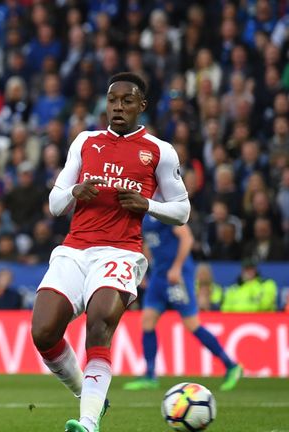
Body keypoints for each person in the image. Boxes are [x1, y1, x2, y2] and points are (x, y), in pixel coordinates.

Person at [31, 73, 191, 432]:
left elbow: (182, 210)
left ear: (141, 106)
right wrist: (75, 192)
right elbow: (55, 202)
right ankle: (89, 398)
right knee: (43, 332)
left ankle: (88, 423)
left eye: (127, 100)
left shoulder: (160, 150)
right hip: (74, 250)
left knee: (100, 318)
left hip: (120, 252)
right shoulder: (85, 142)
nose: (118, 106)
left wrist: (147, 204)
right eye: (113, 100)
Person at [123, 217, 242, 392]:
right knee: (147, 321)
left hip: (177, 277)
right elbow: (149, 244)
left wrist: (177, 267)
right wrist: (144, 269)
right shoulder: (145, 217)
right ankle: (150, 375)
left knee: (192, 324)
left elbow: (187, 238)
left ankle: (231, 365)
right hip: (159, 276)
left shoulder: (166, 212)